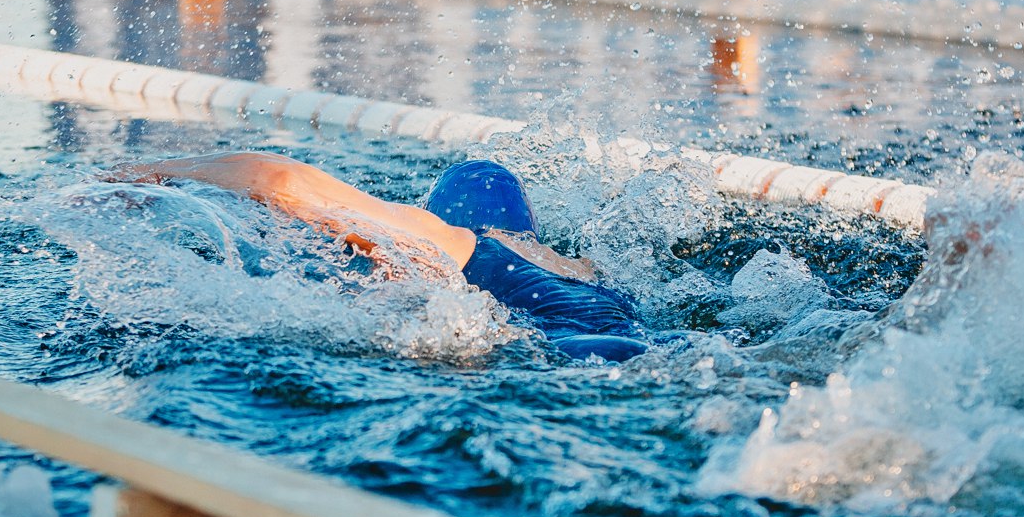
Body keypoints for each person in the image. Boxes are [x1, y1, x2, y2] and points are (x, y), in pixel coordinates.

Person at [106, 152, 655, 361]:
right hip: (647, 341)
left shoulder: (453, 240)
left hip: (581, 355)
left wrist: (153, 172)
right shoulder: (585, 270)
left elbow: (282, 180)